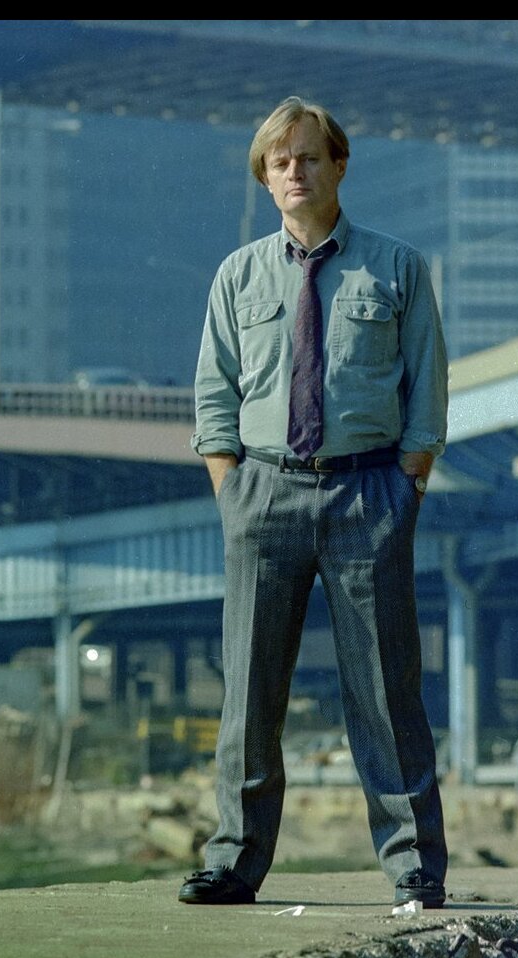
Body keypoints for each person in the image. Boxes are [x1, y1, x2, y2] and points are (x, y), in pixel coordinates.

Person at [180, 96, 450, 908]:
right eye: (280, 161)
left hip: (368, 492)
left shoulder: (397, 268)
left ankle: (414, 865)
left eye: (308, 157)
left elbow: (426, 391)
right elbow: (213, 397)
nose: (294, 171)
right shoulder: (237, 276)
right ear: (265, 178)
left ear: (339, 165)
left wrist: (406, 484)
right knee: (249, 691)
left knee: (386, 689)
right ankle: (235, 859)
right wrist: (233, 491)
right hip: (264, 492)